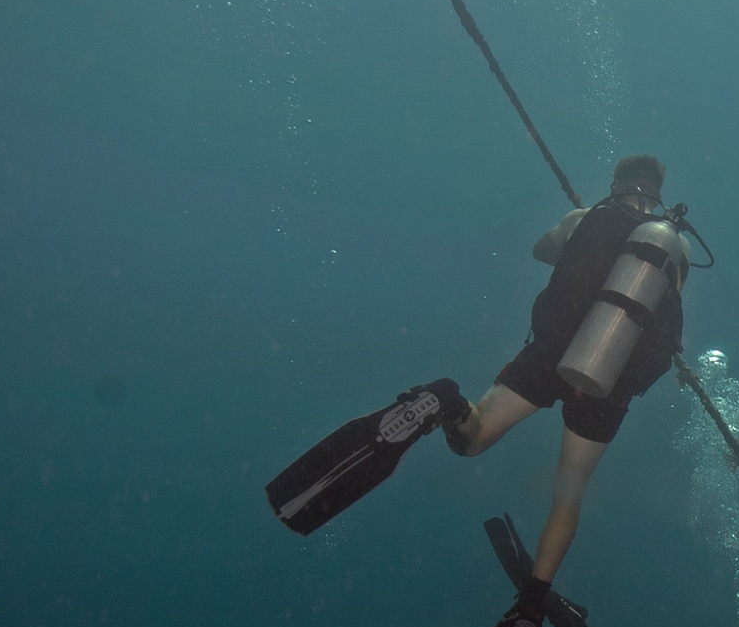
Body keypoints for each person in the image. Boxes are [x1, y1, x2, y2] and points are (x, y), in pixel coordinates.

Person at [266, 155, 687, 600]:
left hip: (551, 354)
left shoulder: (585, 217)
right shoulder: (678, 246)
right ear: (658, 193)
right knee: (567, 495)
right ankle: (533, 599)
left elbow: (541, 251)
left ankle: (447, 403)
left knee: (476, 436)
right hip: (609, 382)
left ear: (615, 182)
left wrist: (580, 231)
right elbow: (663, 306)